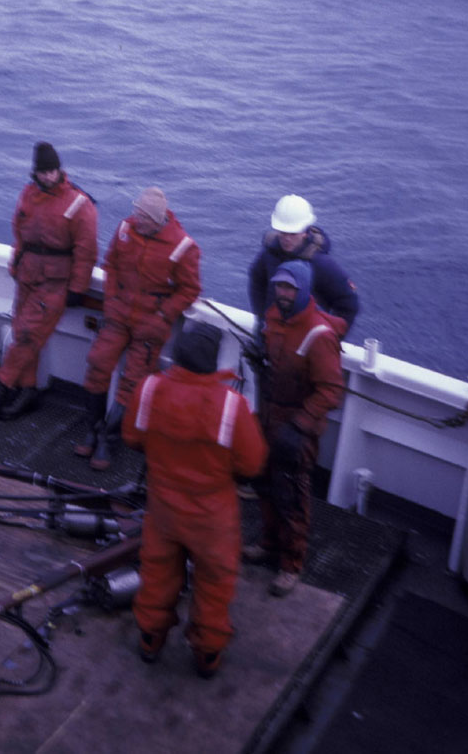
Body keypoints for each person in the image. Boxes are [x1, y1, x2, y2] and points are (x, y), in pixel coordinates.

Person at [122, 319, 267, 678]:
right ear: (213, 360)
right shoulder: (231, 407)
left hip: (164, 509)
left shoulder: (150, 388)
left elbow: (132, 438)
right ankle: (207, 655)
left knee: (157, 572)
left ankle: (150, 639)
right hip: (212, 517)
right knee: (214, 583)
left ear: (180, 354)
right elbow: (252, 463)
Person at [74, 186, 201, 471]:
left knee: (132, 381)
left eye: (142, 216)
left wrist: (163, 316)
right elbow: (111, 266)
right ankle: (92, 429)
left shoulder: (183, 248)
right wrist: (112, 302)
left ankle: (110, 438)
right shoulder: (124, 230)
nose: (135, 219)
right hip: (118, 315)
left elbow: (190, 289)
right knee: (97, 364)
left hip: (150, 323)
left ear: (157, 220)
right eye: (136, 213)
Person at [246, 260, 346, 596]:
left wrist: (299, 425)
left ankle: (291, 564)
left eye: (289, 288)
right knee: (264, 485)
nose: (282, 293)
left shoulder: (320, 336)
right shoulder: (274, 317)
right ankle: (268, 544)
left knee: (292, 497)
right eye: (279, 286)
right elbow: (275, 357)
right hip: (269, 416)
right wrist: (259, 359)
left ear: (303, 290)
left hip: (296, 429)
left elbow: (331, 391)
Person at [0, 142, 97, 420]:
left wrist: (78, 288)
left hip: (55, 281)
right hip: (27, 275)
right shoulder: (28, 194)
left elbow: (86, 251)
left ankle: (0, 385)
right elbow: (19, 232)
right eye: (43, 172)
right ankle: (28, 390)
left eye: (52, 171)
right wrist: (15, 262)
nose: (48, 176)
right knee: (22, 334)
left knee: (29, 335)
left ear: (60, 170)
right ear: (35, 172)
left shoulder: (80, 205)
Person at [248, 193, 359, 334]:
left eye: (293, 233)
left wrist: (330, 337)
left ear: (306, 232)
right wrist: (262, 317)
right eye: (283, 232)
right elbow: (256, 279)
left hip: (305, 344)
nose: (286, 239)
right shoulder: (269, 253)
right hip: (272, 334)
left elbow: (348, 304)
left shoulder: (321, 264)